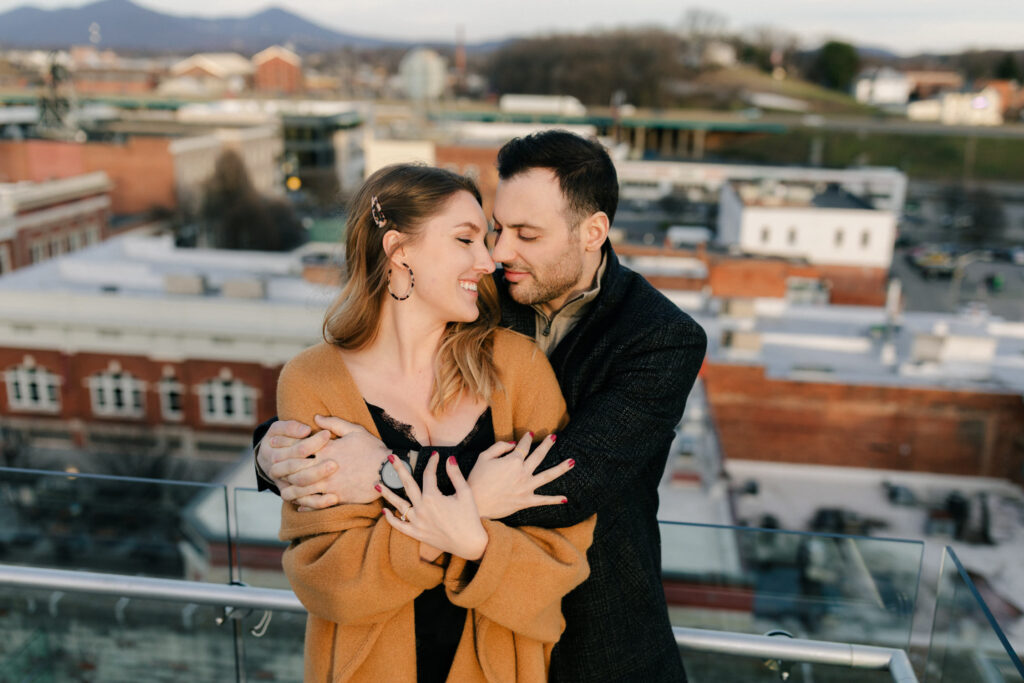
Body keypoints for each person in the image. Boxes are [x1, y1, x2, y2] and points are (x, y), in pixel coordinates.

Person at [258, 131, 707, 682]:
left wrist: (384, 473)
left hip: (595, 632)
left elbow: (572, 479)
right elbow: (361, 386)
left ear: (593, 233)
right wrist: (277, 450)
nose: (497, 254)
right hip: (399, 645)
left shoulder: (660, 338)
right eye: (496, 229)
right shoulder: (485, 305)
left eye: (526, 234)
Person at [275, 163, 595, 682]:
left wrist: (401, 497)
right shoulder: (313, 382)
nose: (489, 260)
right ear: (399, 251)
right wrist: (471, 513)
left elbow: (560, 560)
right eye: (465, 239)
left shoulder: (518, 369)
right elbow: (328, 582)